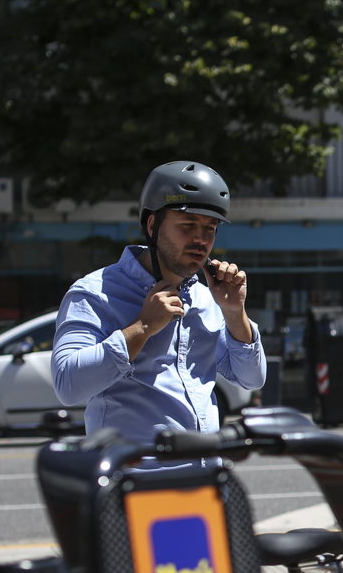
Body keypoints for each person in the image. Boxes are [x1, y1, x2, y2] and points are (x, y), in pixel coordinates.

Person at [53, 161, 265, 443]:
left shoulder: (208, 297)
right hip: (136, 468)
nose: (201, 239)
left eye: (210, 228)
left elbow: (252, 379)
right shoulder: (95, 293)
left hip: (207, 465)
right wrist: (142, 327)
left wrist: (234, 313)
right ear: (153, 226)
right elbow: (67, 385)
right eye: (188, 224)